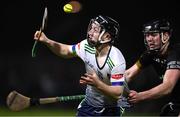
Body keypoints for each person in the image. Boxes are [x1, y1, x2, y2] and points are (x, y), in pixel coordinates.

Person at [34, 15, 128, 116]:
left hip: (111, 110)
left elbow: (117, 93)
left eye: (95, 30)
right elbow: (65, 51)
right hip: (89, 106)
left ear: (107, 37)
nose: (90, 32)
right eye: (91, 28)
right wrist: (47, 41)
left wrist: (98, 84)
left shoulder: (116, 60)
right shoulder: (86, 46)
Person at [125, 19, 180, 116]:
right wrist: (106, 85)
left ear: (166, 36)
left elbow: (168, 86)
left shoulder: (176, 52)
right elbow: (128, 74)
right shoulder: (150, 54)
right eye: (147, 35)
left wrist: (140, 96)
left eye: (153, 35)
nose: (149, 39)